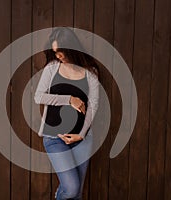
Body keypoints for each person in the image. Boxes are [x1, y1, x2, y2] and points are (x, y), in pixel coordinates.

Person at [34, 27, 100, 200]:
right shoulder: (52, 68)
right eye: (55, 52)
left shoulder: (91, 72)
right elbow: (38, 97)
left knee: (77, 194)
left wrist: (81, 134)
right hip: (55, 138)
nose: (58, 56)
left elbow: (93, 105)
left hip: (82, 139)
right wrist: (69, 99)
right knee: (71, 188)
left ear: (71, 48)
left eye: (61, 52)